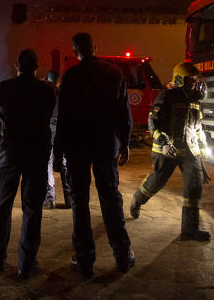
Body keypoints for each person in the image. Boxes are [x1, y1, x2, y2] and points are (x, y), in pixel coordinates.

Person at [53, 32, 134, 278]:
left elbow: (63, 118)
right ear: (95, 47)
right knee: (111, 199)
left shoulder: (71, 77)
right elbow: (124, 113)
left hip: (77, 147)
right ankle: (122, 255)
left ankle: (85, 259)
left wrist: (58, 153)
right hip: (105, 145)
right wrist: (125, 143)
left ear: (75, 50)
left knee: (80, 203)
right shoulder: (113, 73)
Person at [0, 49, 56, 279]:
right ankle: (26, 263)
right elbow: (48, 116)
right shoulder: (47, 90)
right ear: (37, 66)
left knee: (2, 206)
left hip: (10, 153)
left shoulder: (4, 87)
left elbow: (2, 114)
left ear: (17, 64)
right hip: (36, 155)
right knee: (32, 209)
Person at [129, 62, 210, 241]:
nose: (195, 83)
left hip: (190, 152)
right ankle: (138, 199)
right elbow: (153, 122)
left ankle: (190, 229)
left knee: (194, 186)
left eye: (196, 80)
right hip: (167, 151)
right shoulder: (166, 96)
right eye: (191, 80)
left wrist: (202, 160)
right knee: (157, 181)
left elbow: (198, 129)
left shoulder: (195, 100)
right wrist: (163, 142)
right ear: (180, 79)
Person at [44, 70, 70, 210]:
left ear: (48, 80)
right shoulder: (65, 95)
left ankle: (49, 200)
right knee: (65, 165)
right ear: (59, 81)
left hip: (47, 135)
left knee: (47, 166)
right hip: (62, 135)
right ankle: (70, 199)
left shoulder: (43, 94)